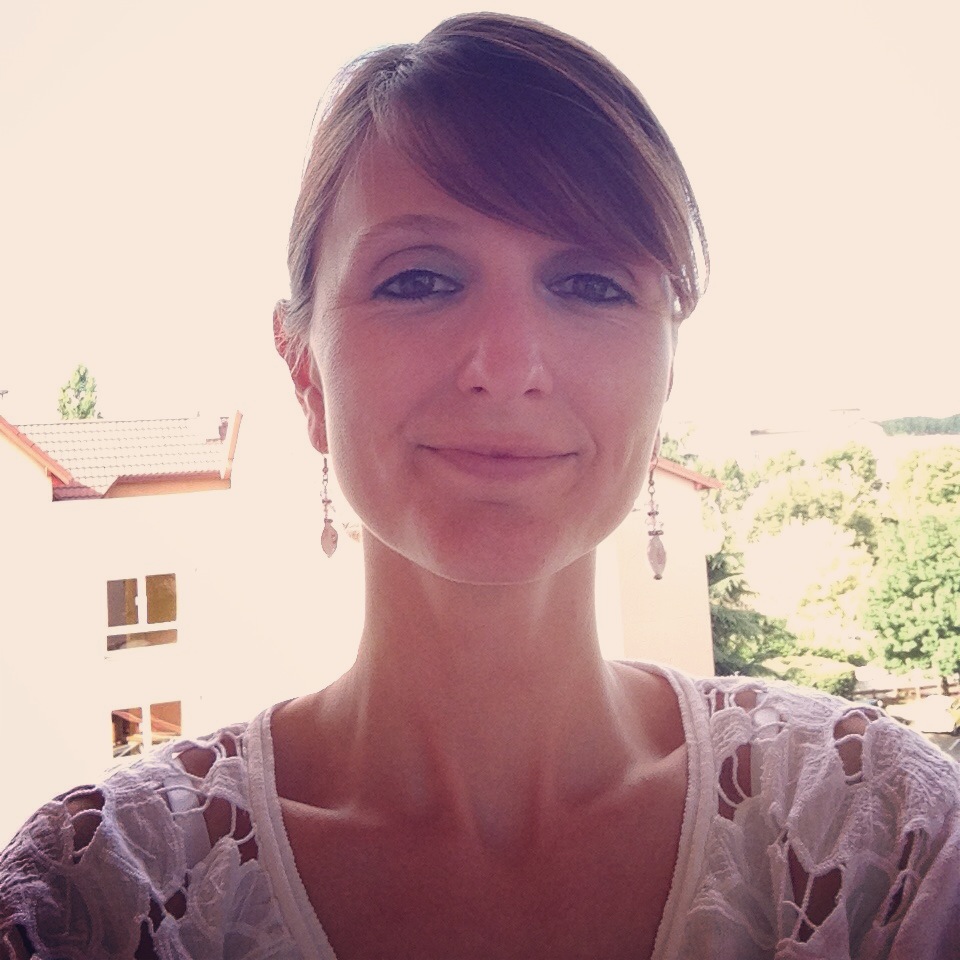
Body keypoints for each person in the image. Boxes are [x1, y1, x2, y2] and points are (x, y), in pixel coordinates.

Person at [2, 12, 959, 960]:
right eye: (418, 280)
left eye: (590, 284)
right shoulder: (94, 897)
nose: (506, 368)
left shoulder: (882, 841)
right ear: (304, 372)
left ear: (666, 374)